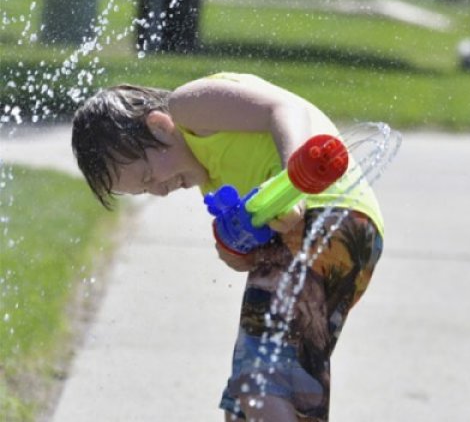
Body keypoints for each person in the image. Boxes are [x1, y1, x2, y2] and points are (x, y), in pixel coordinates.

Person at [71, 72, 384, 422]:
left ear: (159, 127)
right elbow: (261, 249)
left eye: (148, 177)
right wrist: (238, 251)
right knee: (258, 400)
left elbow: (285, 108)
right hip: (352, 235)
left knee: (261, 388)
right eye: (145, 191)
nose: (158, 191)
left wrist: (293, 180)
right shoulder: (213, 179)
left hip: (326, 213)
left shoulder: (189, 107)